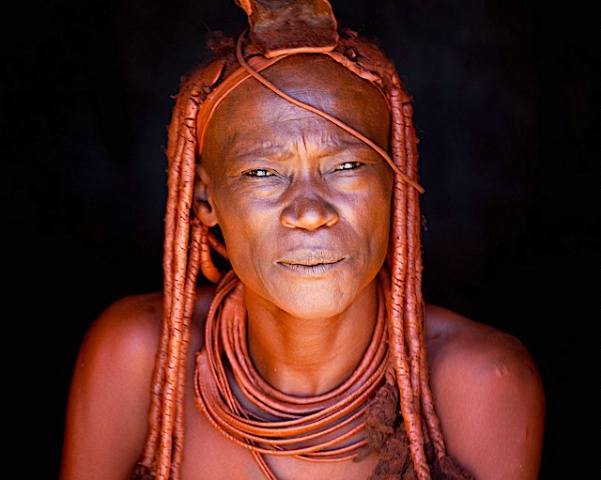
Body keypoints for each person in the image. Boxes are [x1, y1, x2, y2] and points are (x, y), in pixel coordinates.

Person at [60, 1, 545, 479]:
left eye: (347, 166)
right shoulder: (137, 357)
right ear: (204, 199)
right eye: (264, 172)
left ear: (397, 185)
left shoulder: (481, 383)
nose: (310, 212)